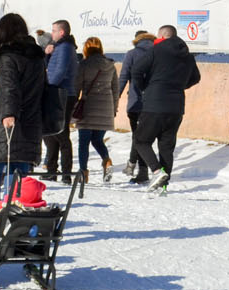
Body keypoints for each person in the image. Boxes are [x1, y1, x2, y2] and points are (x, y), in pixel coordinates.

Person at [0, 13, 47, 231]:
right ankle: (17, 220)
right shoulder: (36, 56)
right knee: (19, 174)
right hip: (31, 121)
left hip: (10, 120)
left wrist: (8, 114)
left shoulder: (8, 56)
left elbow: (10, 88)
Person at [127, 24, 203, 191]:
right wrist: (178, 86)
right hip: (176, 107)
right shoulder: (187, 56)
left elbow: (136, 70)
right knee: (166, 147)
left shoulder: (156, 50)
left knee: (141, 140)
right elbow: (196, 78)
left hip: (154, 104)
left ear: (162, 36)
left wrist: (145, 87)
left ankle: (156, 171)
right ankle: (163, 186)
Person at [74, 36, 119, 184]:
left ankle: (83, 173)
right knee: (98, 139)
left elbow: (77, 87)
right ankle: (106, 160)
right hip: (106, 107)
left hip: (88, 107)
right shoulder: (110, 65)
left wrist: (72, 107)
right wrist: (114, 109)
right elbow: (115, 89)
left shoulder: (84, 65)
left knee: (84, 142)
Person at [41, 19, 78, 182]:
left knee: (62, 133)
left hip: (62, 94)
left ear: (62, 32)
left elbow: (59, 72)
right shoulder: (58, 47)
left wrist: (47, 87)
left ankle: (66, 173)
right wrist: (47, 54)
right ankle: (51, 169)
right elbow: (49, 67)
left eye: (54, 30)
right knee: (50, 132)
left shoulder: (65, 48)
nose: (52, 33)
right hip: (55, 92)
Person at [117, 30, 154, 183]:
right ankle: (135, 166)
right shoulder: (157, 52)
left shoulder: (132, 54)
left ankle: (142, 170)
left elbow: (124, 76)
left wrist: (115, 97)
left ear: (136, 40)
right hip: (154, 102)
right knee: (145, 138)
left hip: (135, 103)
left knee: (138, 137)